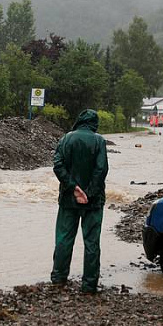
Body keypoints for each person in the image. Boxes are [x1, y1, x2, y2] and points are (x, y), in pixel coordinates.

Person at [51, 109, 109, 293]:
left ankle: (59, 278)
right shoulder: (99, 141)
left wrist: (73, 187)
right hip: (93, 202)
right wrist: (89, 193)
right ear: (94, 123)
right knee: (92, 242)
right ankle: (89, 285)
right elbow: (101, 170)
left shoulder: (66, 138)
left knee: (64, 239)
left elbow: (58, 165)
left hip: (69, 199)